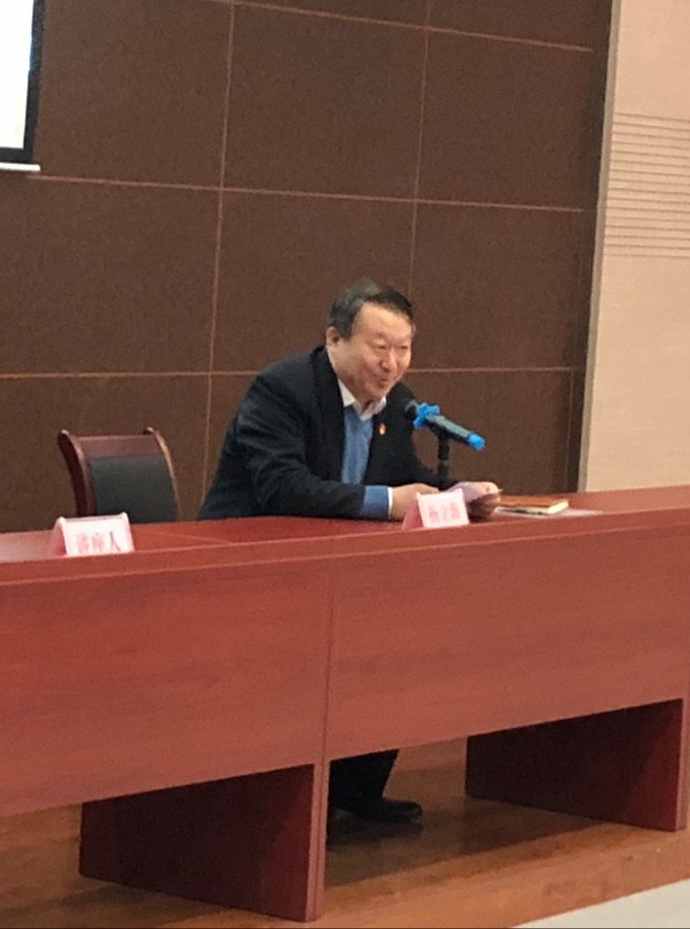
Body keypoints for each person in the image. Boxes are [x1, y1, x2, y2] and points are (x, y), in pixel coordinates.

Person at [200, 278, 500, 823]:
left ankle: (355, 789)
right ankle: (267, 807)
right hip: (249, 564)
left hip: (337, 567)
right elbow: (283, 488)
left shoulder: (398, 404)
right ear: (335, 339)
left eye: (403, 349)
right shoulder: (283, 390)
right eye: (379, 347)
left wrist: (459, 493)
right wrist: (389, 502)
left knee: (396, 643)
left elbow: (405, 475)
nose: (392, 363)